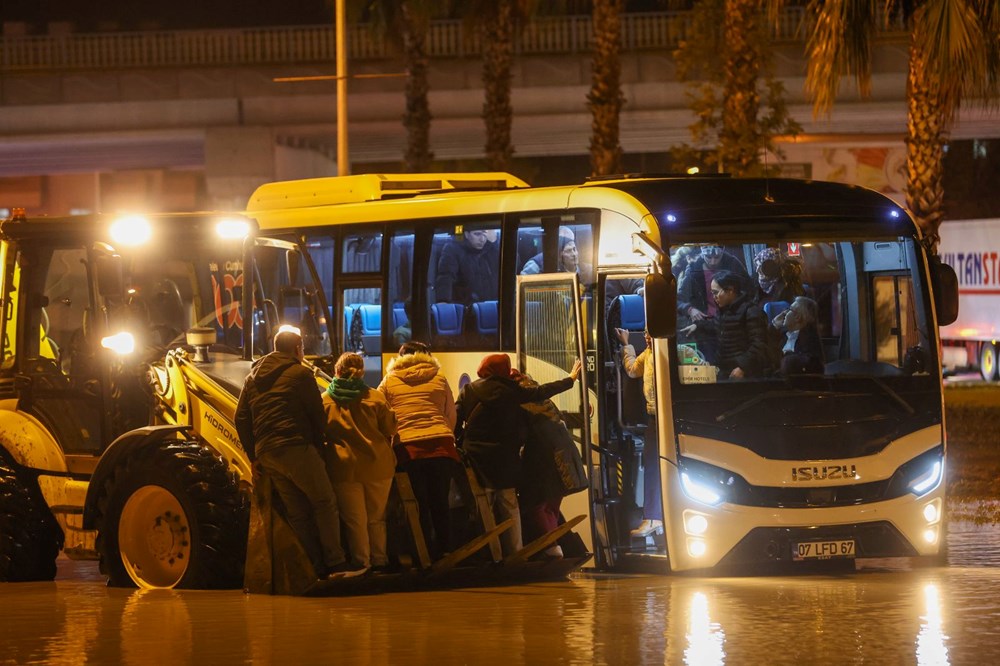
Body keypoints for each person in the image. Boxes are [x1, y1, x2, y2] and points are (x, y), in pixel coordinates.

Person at [235, 327, 364, 580]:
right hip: (295, 445)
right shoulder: (301, 373)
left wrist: (254, 456)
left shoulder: (252, 378)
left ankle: (314, 566)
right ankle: (336, 563)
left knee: (298, 512)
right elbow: (317, 414)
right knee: (325, 502)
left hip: (268, 453)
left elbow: (240, 418)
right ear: (297, 349)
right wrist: (317, 447)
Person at [456, 353, 582, 557]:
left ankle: (491, 555)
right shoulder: (512, 391)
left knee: (484, 506)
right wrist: (570, 380)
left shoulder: (469, 390)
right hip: (505, 456)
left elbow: (457, 416)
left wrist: (457, 441)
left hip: (476, 457)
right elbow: (541, 392)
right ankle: (516, 552)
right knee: (509, 504)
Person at [377, 341, 462, 560]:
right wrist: (445, 434)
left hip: (409, 448)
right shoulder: (439, 378)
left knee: (418, 503)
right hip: (441, 446)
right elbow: (451, 414)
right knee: (440, 501)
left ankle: (424, 553)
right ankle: (447, 550)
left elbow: (381, 415)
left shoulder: (389, 381)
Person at [322, 352, 397, 574]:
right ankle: (380, 561)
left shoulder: (325, 400)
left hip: (343, 467)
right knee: (376, 518)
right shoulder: (375, 397)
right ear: (361, 371)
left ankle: (361, 563)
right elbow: (390, 429)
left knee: (355, 520)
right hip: (378, 465)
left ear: (337, 371)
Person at [514, 369, 589, 559]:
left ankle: (552, 547)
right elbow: (556, 419)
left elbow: (521, 433)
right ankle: (557, 547)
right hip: (564, 457)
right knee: (551, 505)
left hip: (544, 459)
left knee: (536, 505)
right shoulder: (542, 398)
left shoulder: (519, 401)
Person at [615, 327, 662, 538]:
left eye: (650, 332)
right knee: (652, 466)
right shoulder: (648, 353)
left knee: (658, 466)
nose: (646, 336)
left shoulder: (666, 352)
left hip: (668, 416)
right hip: (654, 416)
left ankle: (656, 516)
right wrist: (627, 345)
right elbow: (633, 369)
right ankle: (654, 517)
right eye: (645, 333)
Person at [681, 270, 770, 379]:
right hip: (725, 369)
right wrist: (697, 325)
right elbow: (716, 325)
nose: (714, 297)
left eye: (716, 292)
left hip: (744, 374)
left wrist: (743, 367)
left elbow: (759, 345)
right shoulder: (724, 310)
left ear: (730, 290)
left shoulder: (751, 312)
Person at [677, 244, 749, 363]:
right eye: (709, 257)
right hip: (705, 326)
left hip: (732, 323)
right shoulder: (694, 269)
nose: (713, 261)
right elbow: (679, 299)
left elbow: (748, 291)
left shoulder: (733, 264)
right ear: (702, 252)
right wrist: (690, 309)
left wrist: (737, 311)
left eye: (717, 257)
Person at [434, 229, 499, 305]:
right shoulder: (452, 249)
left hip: (491, 306)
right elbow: (446, 276)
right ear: (466, 234)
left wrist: (494, 244)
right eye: (477, 234)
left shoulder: (490, 249)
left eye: (484, 234)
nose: (482, 239)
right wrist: (443, 301)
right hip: (466, 307)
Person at [772, 296, 824, 375]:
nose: (784, 312)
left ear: (797, 317)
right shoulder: (782, 335)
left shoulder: (810, 341)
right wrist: (773, 326)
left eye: (789, 309)